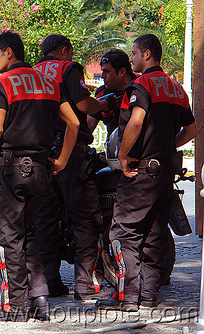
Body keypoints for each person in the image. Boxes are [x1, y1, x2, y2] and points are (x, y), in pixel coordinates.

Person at [0, 31, 79, 322]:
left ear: (9, 53)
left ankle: (14, 307)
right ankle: (40, 299)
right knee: (30, 235)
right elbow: (74, 122)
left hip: (11, 168)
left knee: (8, 238)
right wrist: (62, 160)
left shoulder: (2, 83)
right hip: (42, 170)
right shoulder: (47, 83)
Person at [96, 34, 197, 312]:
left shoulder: (140, 86)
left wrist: (124, 155)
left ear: (148, 55)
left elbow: (136, 121)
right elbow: (191, 131)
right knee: (154, 235)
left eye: (135, 53)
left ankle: (128, 297)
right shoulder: (178, 89)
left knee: (123, 233)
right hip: (165, 173)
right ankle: (149, 295)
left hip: (140, 174)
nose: (131, 58)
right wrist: (166, 146)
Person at [33, 34, 112, 301]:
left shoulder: (32, 72)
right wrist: (102, 104)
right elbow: (82, 105)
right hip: (70, 151)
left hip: (41, 153)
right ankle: (83, 284)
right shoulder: (69, 68)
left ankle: (51, 282)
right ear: (65, 51)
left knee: (46, 218)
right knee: (85, 217)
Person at [87, 49, 137, 137]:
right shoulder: (102, 93)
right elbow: (88, 126)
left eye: (106, 71)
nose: (102, 76)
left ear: (122, 72)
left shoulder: (140, 89)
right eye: (102, 71)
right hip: (114, 147)